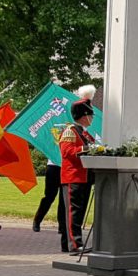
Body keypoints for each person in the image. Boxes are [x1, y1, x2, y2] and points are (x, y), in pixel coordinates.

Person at [59, 98, 96, 254]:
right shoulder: (70, 131)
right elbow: (67, 152)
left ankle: (73, 242)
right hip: (73, 176)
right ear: (84, 115)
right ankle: (75, 244)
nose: (92, 118)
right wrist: (87, 148)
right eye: (90, 115)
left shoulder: (83, 132)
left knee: (78, 212)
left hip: (84, 177)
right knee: (73, 212)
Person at [31, 158, 66, 244]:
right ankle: (37, 220)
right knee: (49, 197)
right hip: (53, 167)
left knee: (63, 199)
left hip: (65, 167)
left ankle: (62, 226)